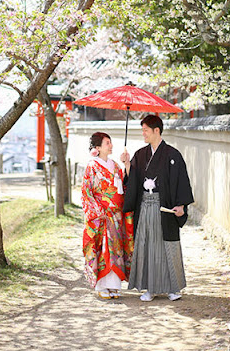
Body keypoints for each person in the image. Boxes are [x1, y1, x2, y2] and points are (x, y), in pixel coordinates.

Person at [121, 114, 194, 302]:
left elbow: (181, 182)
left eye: (146, 130)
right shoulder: (140, 154)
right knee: (147, 246)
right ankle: (149, 288)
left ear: (156, 130)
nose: (143, 133)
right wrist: (128, 165)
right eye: (142, 130)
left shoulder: (172, 155)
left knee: (167, 247)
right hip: (145, 206)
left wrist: (181, 205)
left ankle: (173, 288)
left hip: (165, 208)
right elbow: (133, 180)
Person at [81, 131, 134, 299]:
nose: (110, 145)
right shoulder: (92, 166)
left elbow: (125, 185)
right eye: (107, 143)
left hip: (116, 215)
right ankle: (102, 285)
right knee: (102, 249)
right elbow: (86, 192)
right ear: (97, 147)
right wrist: (98, 211)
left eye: (110, 142)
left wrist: (126, 164)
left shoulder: (116, 165)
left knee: (116, 249)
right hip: (101, 215)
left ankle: (114, 285)